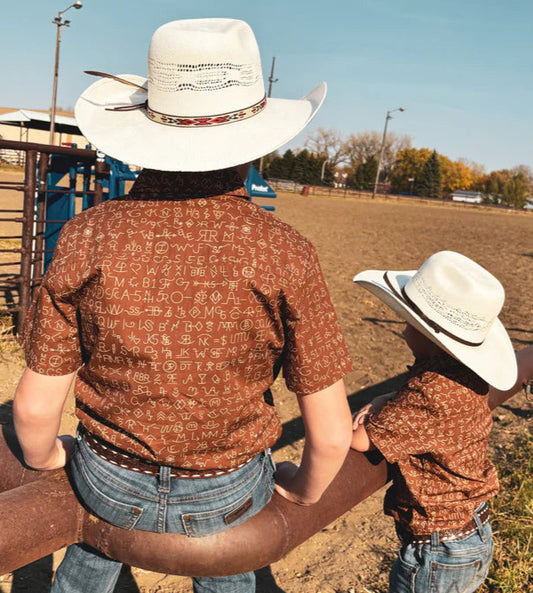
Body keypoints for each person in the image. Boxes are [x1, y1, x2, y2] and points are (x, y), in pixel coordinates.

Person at [12, 18, 353, 593]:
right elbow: (333, 436)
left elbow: (33, 411)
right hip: (227, 490)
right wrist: (304, 490)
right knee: (230, 564)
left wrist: (49, 461)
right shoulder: (285, 252)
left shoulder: (87, 235)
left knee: (92, 545)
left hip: (108, 479)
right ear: (253, 144)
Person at [350, 250, 518, 593]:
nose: (402, 325)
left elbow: (361, 441)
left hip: (439, 549)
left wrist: (364, 413)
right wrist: (388, 401)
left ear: (430, 336)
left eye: (409, 320)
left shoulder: (429, 392)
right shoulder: (464, 375)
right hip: (470, 529)